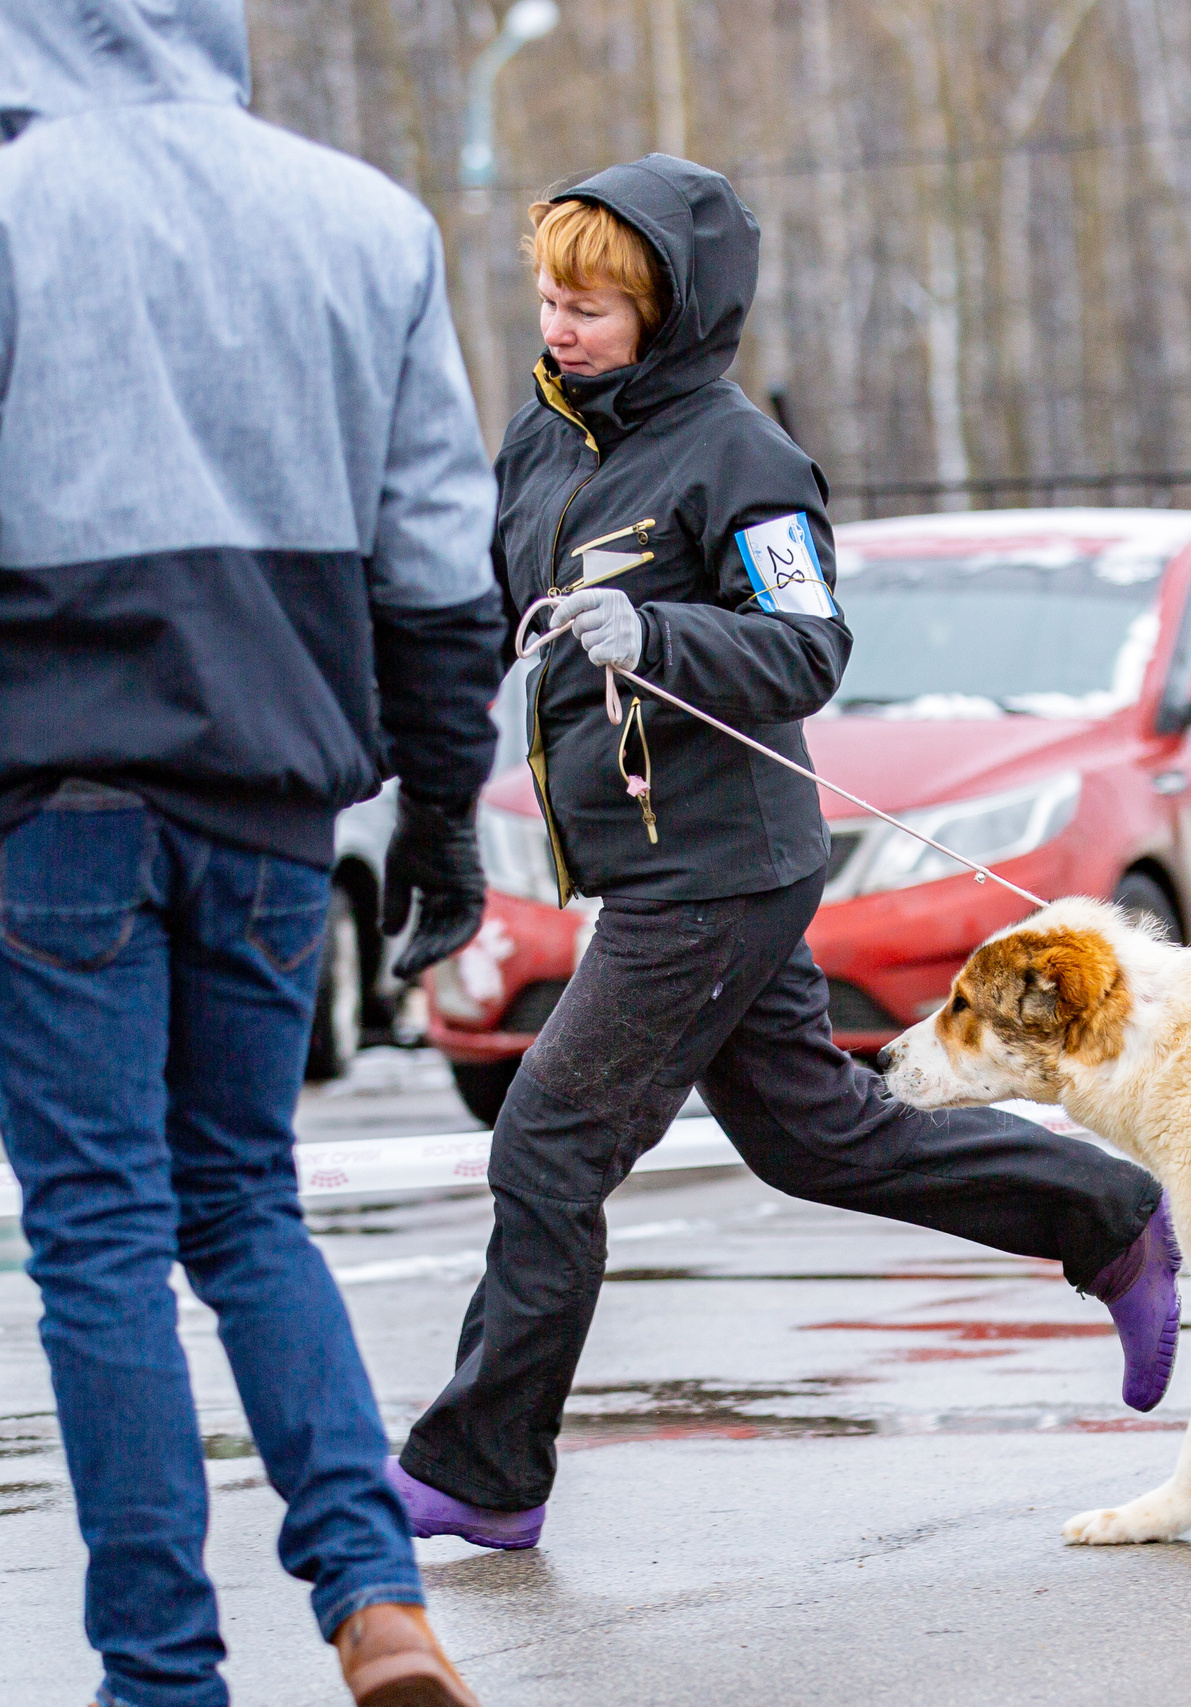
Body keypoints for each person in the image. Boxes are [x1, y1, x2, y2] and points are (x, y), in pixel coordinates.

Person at [385, 156, 1181, 1550]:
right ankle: (1110, 1212)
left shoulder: (741, 457)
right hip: (649, 863)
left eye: (593, 305)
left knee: (548, 1143)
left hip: (718, 867)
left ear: (671, 310)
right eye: (550, 299)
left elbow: (809, 650)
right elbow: (486, 614)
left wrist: (663, 633)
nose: (560, 327)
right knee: (819, 1135)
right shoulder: (542, 441)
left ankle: (486, 1466)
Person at [0, 3, 494, 1703]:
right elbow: (437, 555)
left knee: (96, 1235)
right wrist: (442, 804)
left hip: (52, 803)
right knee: (244, 1203)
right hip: (278, 802)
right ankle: (376, 1601)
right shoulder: (364, 220)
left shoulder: (12, 203)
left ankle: (161, 1675)